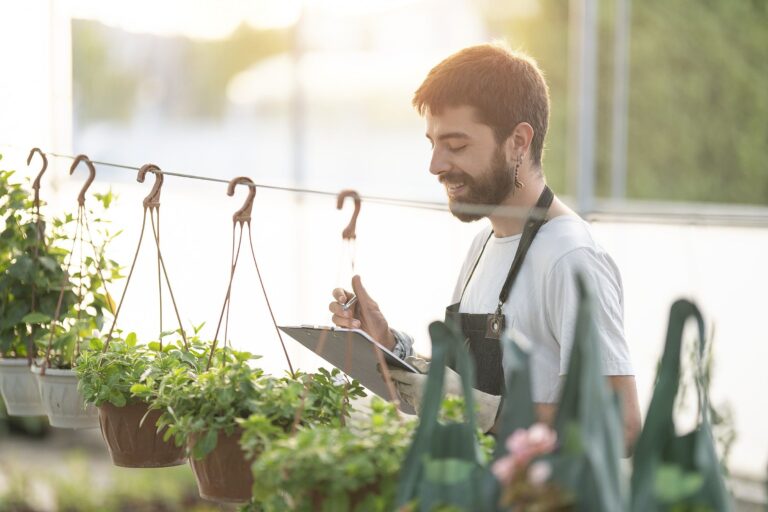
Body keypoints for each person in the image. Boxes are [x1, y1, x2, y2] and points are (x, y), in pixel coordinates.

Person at [328, 43, 641, 452]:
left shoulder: (571, 258)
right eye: (432, 143)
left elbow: (622, 425)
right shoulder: (484, 244)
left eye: (456, 146)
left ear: (518, 142)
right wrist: (388, 347)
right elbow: (468, 391)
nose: (435, 165)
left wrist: (490, 414)